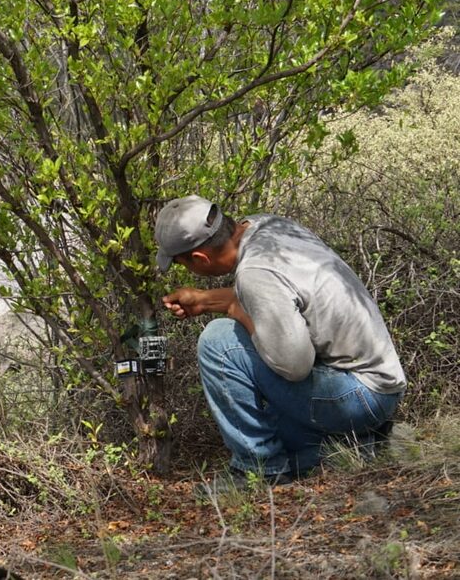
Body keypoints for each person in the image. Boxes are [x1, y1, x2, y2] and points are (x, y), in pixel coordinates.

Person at [154, 195, 406, 485]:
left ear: (200, 258)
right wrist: (204, 300)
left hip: (357, 396)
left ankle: (258, 470)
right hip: (381, 387)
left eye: (183, 264)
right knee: (278, 433)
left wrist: (235, 309)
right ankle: (356, 447)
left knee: (218, 342)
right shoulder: (269, 226)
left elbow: (294, 365)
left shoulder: (255, 272)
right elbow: (278, 297)